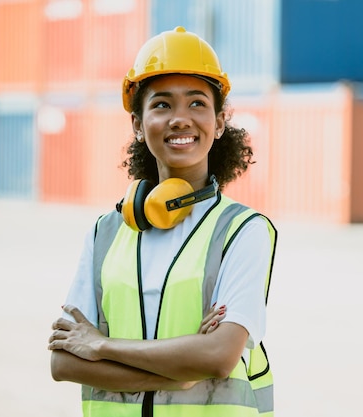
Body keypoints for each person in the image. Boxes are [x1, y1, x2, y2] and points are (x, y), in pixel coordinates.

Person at [47, 26, 277, 417]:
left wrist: (102, 346)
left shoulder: (243, 231)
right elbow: (64, 362)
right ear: (137, 124)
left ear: (220, 123)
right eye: (162, 105)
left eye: (197, 103)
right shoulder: (106, 232)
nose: (181, 119)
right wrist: (179, 370)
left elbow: (219, 356)